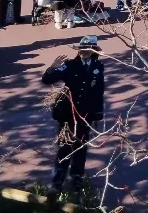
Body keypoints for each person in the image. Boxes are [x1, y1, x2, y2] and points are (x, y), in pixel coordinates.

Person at [42, 35, 105, 192]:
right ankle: (57, 180)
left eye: (87, 49)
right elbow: (47, 80)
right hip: (68, 114)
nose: (83, 52)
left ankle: (76, 178)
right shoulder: (69, 65)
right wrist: (52, 68)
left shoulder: (98, 67)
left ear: (94, 51)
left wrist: (97, 114)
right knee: (64, 147)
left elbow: (98, 91)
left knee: (81, 147)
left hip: (85, 115)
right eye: (81, 49)